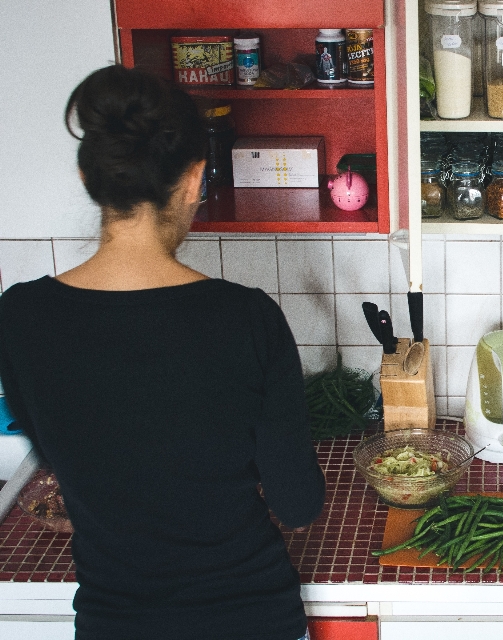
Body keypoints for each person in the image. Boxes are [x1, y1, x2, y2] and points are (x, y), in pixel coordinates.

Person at [0, 65, 325, 640]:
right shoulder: (245, 318)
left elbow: (63, 457)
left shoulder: (19, 319)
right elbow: (296, 503)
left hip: (115, 622)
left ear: (87, 176)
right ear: (194, 178)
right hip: (249, 617)